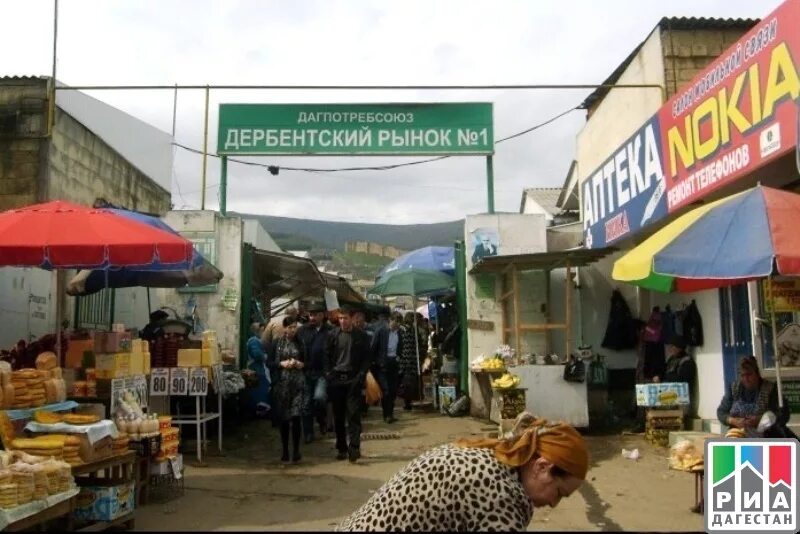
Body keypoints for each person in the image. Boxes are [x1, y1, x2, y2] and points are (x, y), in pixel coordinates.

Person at [336, 412, 588, 531]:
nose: (554, 504)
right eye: (559, 493)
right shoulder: (500, 495)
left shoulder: (492, 458)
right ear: (542, 466)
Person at [326, 307, 373, 463]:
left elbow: (367, 358)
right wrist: (329, 374)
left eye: (345, 318)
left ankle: (354, 447)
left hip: (353, 380)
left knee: (353, 415)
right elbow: (326, 356)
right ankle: (341, 447)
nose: (343, 321)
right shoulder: (332, 335)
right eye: (340, 318)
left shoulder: (361, 336)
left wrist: (360, 376)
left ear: (352, 319)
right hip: (337, 379)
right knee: (338, 416)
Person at [717, 355, 793, 439]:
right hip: (738, 435)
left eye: (749, 374)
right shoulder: (733, 389)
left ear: (757, 373)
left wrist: (760, 419)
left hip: (767, 436)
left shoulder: (771, 389)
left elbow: (783, 414)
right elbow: (721, 412)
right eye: (743, 375)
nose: (746, 379)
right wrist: (733, 420)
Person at [268, 317, 307, 463]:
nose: (293, 330)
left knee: (296, 417)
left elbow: (307, 362)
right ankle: (285, 450)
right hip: (282, 386)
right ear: (284, 328)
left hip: (298, 385)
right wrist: (281, 364)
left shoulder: (301, 342)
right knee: (284, 419)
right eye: (290, 327)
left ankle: (296, 450)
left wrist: (299, 364)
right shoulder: (277, 343)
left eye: (295, 327)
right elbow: (269, 363)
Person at [296, 302, 332, 443]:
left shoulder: (330, 331)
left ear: (323, 315)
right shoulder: (302, 332)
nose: (312, 318)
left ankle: (321, 419)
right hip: (305, 372)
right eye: (311, 315)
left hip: (322, 373)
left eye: (316, 315)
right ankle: (308, 433)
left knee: (319, 398)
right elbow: (296, 349)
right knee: (306, 404)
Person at [372, 312, 405, 423]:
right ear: (390, 320)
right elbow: (373, 348)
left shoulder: (399, 333)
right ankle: (386, 415)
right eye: (396, 322)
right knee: (386, 390)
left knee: (393, 390)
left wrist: (399, 357)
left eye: (399, 323)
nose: (398, 325)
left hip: (394, 363)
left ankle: (390, 413)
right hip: (383, 365)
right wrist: (377, 362)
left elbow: (400, 347)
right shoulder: (381, 331)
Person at [246, 322, 271, 418]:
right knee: (260, 390)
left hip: (259, 369)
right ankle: (259, 410)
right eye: (262, 330)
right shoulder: (253, 341)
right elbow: (257, 354)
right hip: (256, 369)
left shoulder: (256, 340)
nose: (263, 332)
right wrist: (265, 356)